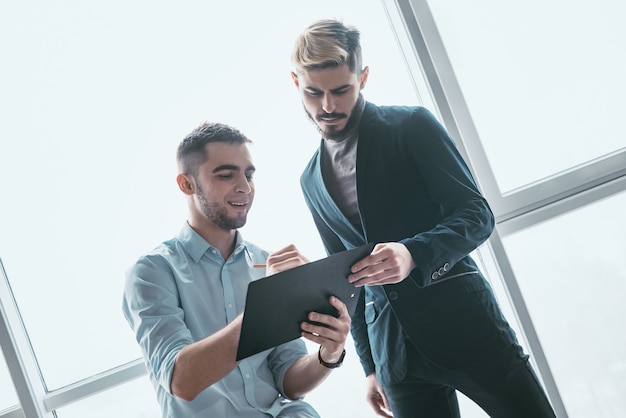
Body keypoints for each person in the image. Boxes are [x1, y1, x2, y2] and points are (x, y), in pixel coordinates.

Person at [289, 18, 557, 418]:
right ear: (297, 83)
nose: (327, 106)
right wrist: (371, 367)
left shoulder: (411, 125)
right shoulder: (311, 179)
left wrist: (412, 253)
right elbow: (346, 281)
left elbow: (477, 214)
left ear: (363, 77)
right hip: (395, 357)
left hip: (468, 327)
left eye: (341, 90)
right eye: (314, 92)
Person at [121, 122, 351, 417]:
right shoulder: (151, 272)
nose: (245, 187)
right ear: (187, 184)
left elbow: (289, 381)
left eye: (249, 174)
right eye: (227, 175)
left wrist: (328, 354)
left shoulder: (265, 264)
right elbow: (182, 380)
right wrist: (268, 305)